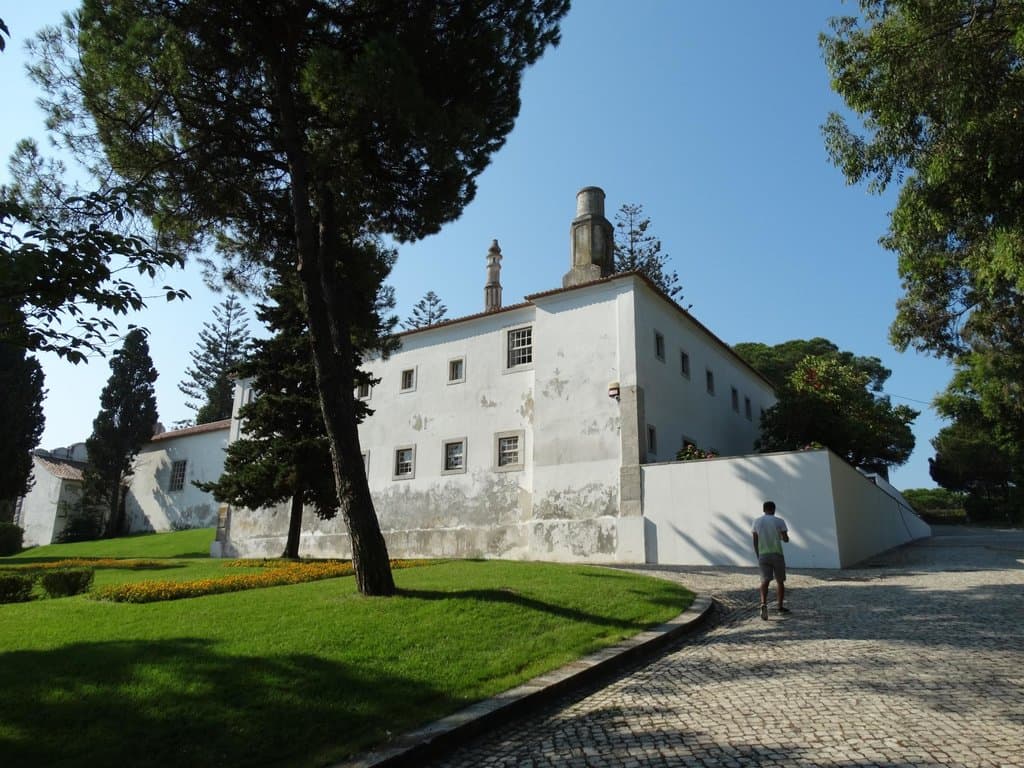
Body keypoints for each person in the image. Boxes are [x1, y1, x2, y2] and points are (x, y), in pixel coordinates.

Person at [752, 500, 789, 620]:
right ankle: (780, 607)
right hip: (777, 554)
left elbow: (755, 540)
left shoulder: (756, 522)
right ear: (774, 509)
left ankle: (763, 603)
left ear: (764, 510)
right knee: (780, 581)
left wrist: (758, 554)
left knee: (765, 580)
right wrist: (783, 536)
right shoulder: (780, 521)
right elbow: (786, 539)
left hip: (763, 554)